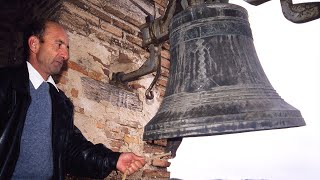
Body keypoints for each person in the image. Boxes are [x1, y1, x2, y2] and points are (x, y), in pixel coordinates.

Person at [0, 19, 146, 179]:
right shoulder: (5, 84)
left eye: (67, 48)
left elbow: (73, 149)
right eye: (59, 44)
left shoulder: (60, 102)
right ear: (34, 44)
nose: (66, 55)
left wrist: (113, 160)